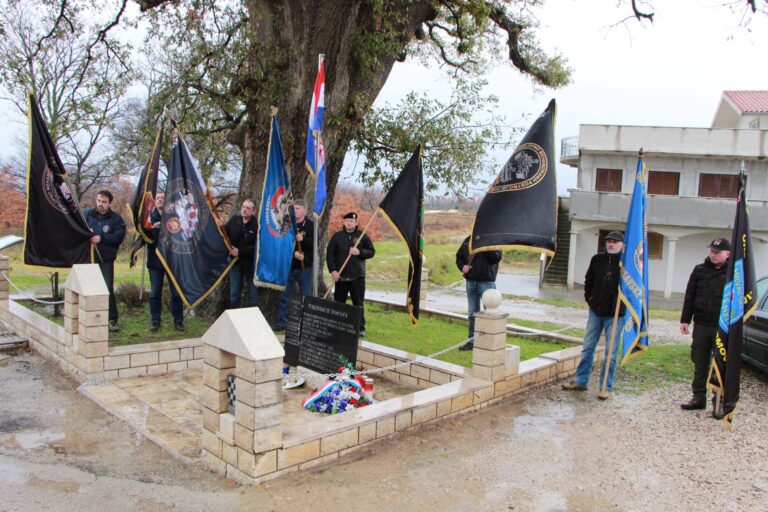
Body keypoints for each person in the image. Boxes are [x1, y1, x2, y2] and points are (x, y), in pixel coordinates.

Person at [562, 231, 626, 400]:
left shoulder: (627, 263)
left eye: (615, 242)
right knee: (588, 347)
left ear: (622, 244)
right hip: (596, 311)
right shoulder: (597, 259)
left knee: (610, 354)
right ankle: (580, 381)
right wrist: (589, 299)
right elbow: (588, 280)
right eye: (609, 241)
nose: (611, 244)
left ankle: (605, 386)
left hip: (616, 314)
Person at [679, 237, 731, 417]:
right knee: (700, 362)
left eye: (717, 252)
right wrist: (685, 319)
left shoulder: (733, 274)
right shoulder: (699, 270)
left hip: (722, 327)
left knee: (720, 364)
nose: (713, 255)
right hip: (701, 324)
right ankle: (698, 397)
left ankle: (719, 401)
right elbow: (690, 296)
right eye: (711, 251)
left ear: (728, 254)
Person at [326, 211, 375, 337]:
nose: (349, 223)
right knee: (339, 303)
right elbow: (330, 255)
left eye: (351, 221)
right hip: (341, 276)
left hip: (357, 276)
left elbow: (372, 252)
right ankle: (338, 326)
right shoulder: (337, 236)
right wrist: (333, 271)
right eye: (347, 221)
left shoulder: (362, 236)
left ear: (356, 222)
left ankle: (360, 328)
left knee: (358, 303)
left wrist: (359, 252)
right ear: (344, 222)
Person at [85, 190, 126, 332]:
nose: (100, 204)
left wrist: (101, 238)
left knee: (107, 289)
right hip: (88, 259)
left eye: (104, 202)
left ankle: (112, 320)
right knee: (87, 289)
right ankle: (89, 318)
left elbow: (118, 238)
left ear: (109, 203)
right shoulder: (87, 215)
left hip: (105, 260)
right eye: (98, 201)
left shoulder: (116, 220)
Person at [455, 235, 502, 351]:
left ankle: (490, 343)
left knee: (490, 314)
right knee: (472, 313)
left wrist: (486, 245)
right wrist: (462, 267)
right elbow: (459, 257)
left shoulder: (493, 239)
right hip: (471, 282)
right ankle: (471, 342)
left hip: (487, 283)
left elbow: (496, 258)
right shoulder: (468, 239)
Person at [147, 192, 185, 332]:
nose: (160, 200)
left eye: (163, 198)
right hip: (155, 262)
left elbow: (181, 237)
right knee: (155, 293)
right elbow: (146, 238)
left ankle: (178, 321)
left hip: (172, 262)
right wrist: (153, 229)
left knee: (176, 293)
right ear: (155, 202)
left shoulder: (175, 217)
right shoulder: (149, 218)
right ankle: (155, 321)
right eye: (158, 198)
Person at [275, 199, 314, 330]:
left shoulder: (311, 226)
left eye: (298, 208)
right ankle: (282, 322)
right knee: (285, 296)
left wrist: (304, 240)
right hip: (289, 266)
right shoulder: (287, 225)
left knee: (306, 296)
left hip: (305, 267)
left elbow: (315, 246)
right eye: (294, 208)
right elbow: (282, 244)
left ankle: (306, 324)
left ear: (304, 210)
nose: (295, 211)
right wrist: (293, 254)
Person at [224, 199, 259, 308]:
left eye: (248, 208)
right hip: (234, 263)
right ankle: (235, 320)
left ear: (253, 212)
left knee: (253, 295)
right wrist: (220, 226)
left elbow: (258, 246)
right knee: (234, 294)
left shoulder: (257, 225)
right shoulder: (234, 220)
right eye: (243, 207)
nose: (244, 210)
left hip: (250, 264)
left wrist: (240, 252)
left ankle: (252, 321)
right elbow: (225, 234)